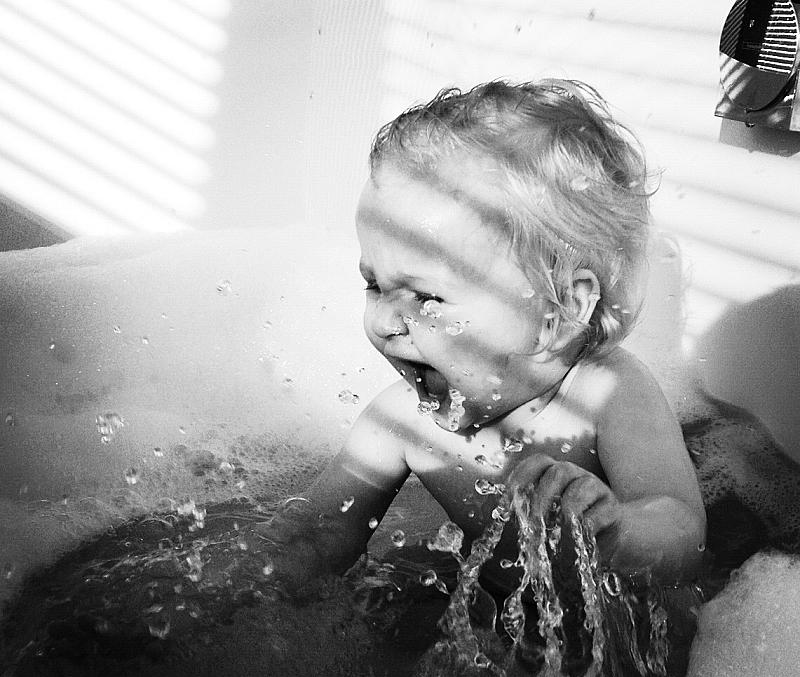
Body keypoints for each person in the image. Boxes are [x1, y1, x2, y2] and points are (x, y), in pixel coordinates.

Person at [257, 79, 706, 601]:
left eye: (427, 297)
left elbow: (682, 529)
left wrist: (619, 532)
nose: (385, 322)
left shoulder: (606, 393)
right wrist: (245, 584)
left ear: (558, 312)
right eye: (374, 285)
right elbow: (319, 533)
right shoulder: (401, 421)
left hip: (632, 618)